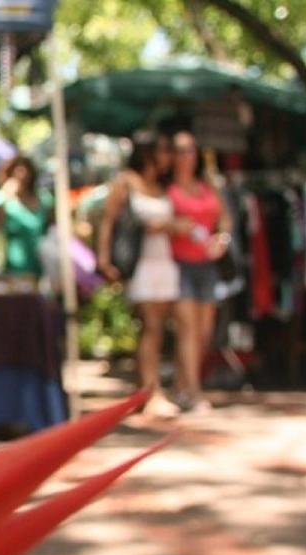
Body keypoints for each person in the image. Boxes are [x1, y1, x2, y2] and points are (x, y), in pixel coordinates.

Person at [97, 133, 181, 416]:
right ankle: (151, 390)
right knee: (151, 325)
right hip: (140, 263)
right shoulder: (125, 181)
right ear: (149, 153)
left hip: (165, 261)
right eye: (165, 150)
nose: (170, 156)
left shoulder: (161, 186)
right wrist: (104, 259)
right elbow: (108, 221)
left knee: (159, 328)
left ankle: (146, 388)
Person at [168, 130, 232, 414]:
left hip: (207, 266)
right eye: (180, 150)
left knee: (203, 333)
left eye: (190, 149)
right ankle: (194, 392)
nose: (186, 155)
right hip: (178, 264)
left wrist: (222, 240)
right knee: (187, 329)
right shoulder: (167, 189)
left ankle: (181, 385)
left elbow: (225, 220)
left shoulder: (208, 186)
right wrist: (176, 226)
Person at [0, 156, 54, 277]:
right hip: (15, 266)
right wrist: (7, 195)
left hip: (43, 264)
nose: (22, 176)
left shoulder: (44, 199)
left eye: (25, 172)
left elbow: (51, 229)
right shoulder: (0, 199)